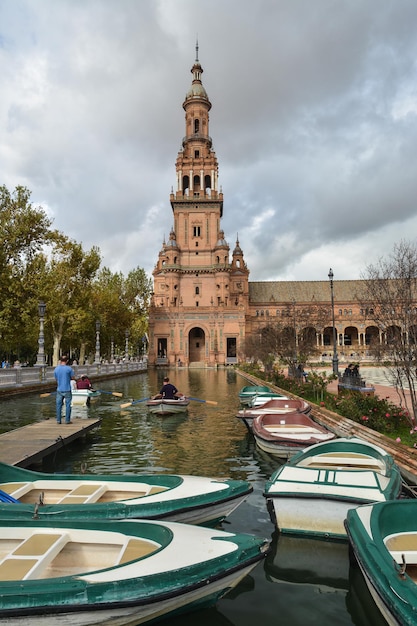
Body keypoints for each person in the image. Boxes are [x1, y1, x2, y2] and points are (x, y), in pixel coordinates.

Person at [54, 355, 75, 424]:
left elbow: (56, 379)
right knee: (68, 405)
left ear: (60, 360)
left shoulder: (56, 369)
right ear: (67, 361)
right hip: (67, 389)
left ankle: (58, 420)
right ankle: (67, 420)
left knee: (58, 405)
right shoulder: (69, 369)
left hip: (59, 389)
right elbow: (72, 377)